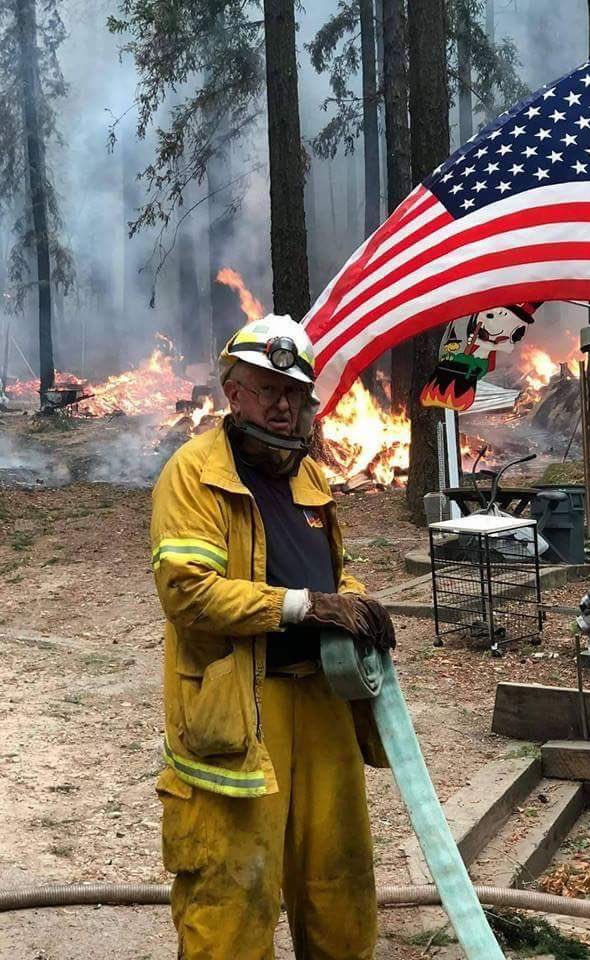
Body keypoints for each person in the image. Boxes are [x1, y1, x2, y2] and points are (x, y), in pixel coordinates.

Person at [150, 313, 396, 959]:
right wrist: (302, 608)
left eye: (295, 393)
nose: (284, 406)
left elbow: (330, 571)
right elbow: (188, 592)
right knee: (232, 895)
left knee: (338, 882)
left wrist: (355, 601)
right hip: (239, 711)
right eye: (268, 390)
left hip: (324, 702)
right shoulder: (195, 474)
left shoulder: (308, 474)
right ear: (233, 394)